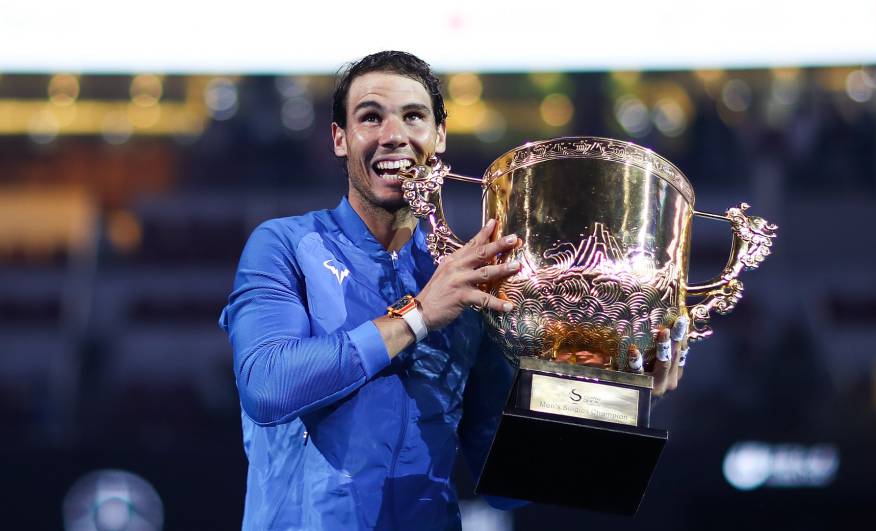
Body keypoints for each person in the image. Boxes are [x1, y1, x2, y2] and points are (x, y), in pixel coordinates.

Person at [220, 50, 689, 530]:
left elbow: (508, 480)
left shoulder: (468, 280)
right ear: (340, 139)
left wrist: (614, 401)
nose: (394, 136)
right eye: (371, 117)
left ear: (438, 137)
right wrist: (418, 316)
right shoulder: (284, 245)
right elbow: (267, 387)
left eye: (414, 117)